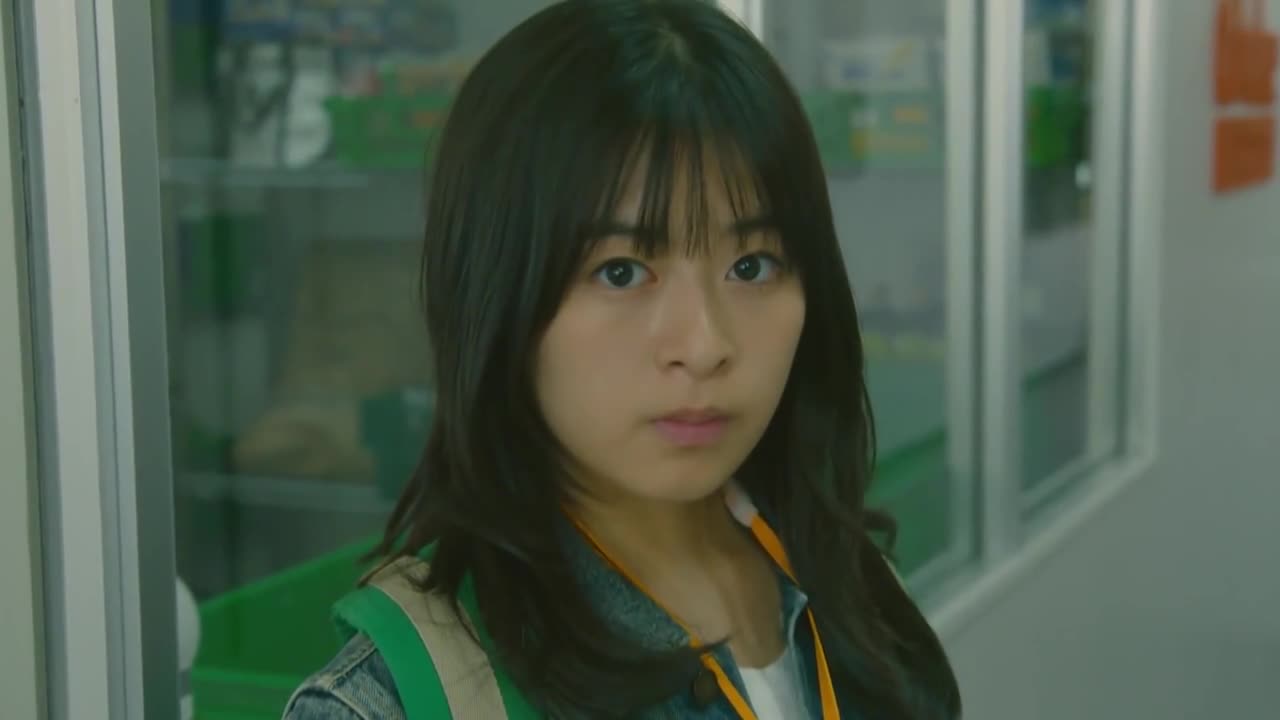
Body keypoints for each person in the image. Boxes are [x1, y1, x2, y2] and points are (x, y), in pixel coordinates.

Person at [284, 0, 961, 718]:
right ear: (496, 292)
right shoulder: (393, 700)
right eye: (621, 272)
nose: (704, 345)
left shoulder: (855, 586)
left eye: (753, 265)